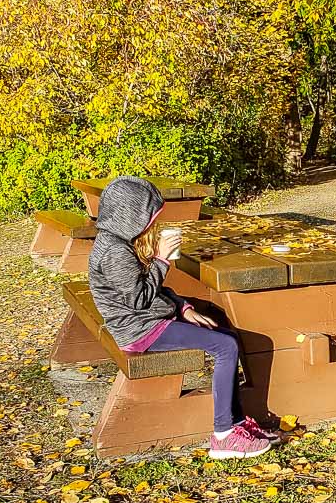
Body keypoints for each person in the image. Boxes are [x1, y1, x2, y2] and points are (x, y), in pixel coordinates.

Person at [88, 176, 278, 458]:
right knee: (226, 347)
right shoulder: (114, 252)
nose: (153, 225)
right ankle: (223, 435)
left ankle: (236, 423)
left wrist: (183, 307)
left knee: (226, 336)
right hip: (139, 331)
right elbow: (139, 299)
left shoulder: (118, 242)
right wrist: (162, 260)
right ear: (130, 216)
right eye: (149, 218)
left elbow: (154, 291)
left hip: (148, 321)